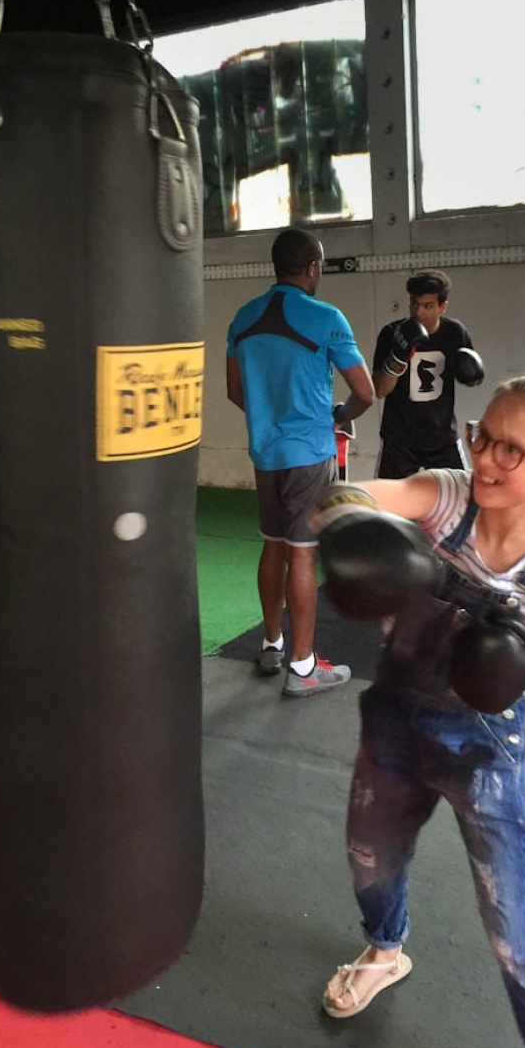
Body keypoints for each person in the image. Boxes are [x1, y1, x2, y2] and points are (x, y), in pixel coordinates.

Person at [314, 373, 525, 1048]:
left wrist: (522, 657)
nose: (486, 459)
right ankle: (385, 951)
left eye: (512, 450)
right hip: (394, 714)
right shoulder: (447, 494)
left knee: (514, 930)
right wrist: (356, 530)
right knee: (370, 861)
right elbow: (346, 495)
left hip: (485, 742)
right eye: (483, 437)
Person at [226, 227, 374, 697]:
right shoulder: (326, 317)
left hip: (266, 452)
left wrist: (270, 418)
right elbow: (365, 392)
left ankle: (272, 643)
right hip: (309, 453)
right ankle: (304, 667)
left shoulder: (243, 317)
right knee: (303, 553)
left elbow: (235, 391)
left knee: (273, 544)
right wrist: (338, 417)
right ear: (312, 267)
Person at [373, 269, 484, 478]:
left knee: (460, 494)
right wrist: (397, 357)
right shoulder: (392, 333)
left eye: (428, 306)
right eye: (414, 304)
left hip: (442, 438)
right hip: (399, 441)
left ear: (443, 307)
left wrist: (470, 375)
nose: (419, 312)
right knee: (387, 498)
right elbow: (380, 390)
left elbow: (469, 378)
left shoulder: (455, 333)